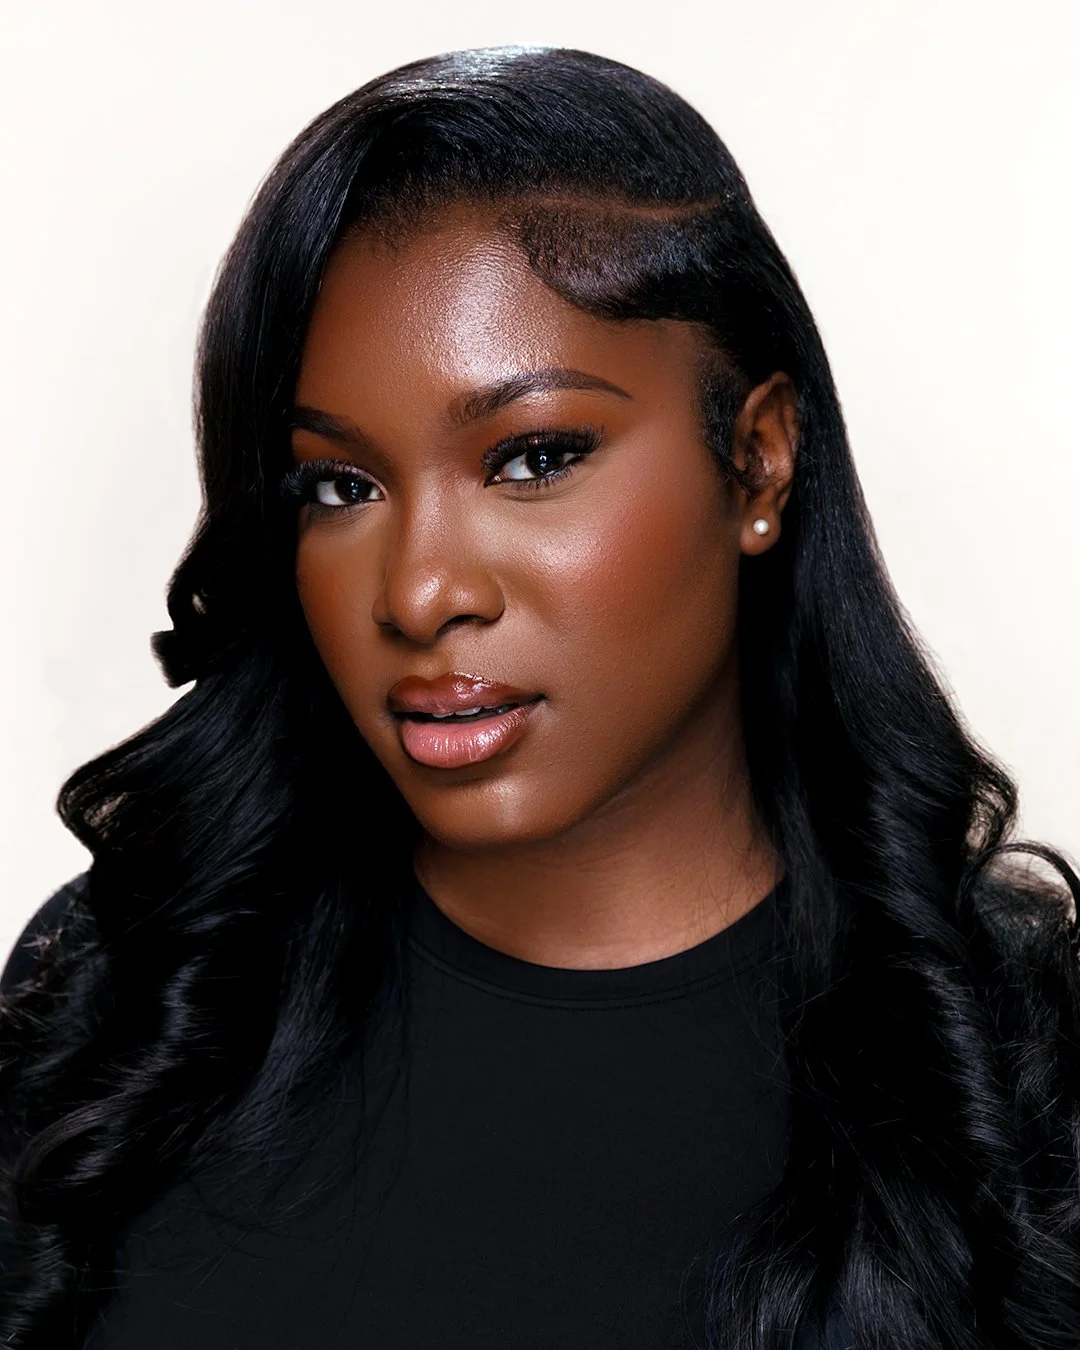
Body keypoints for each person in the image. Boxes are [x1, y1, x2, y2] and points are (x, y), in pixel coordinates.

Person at [1, 44, 1077, 1350]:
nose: (420, 590)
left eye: (535, 457)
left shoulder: (1021, 1080)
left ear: (759, 458)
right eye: (339, 485)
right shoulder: (135, 1001)